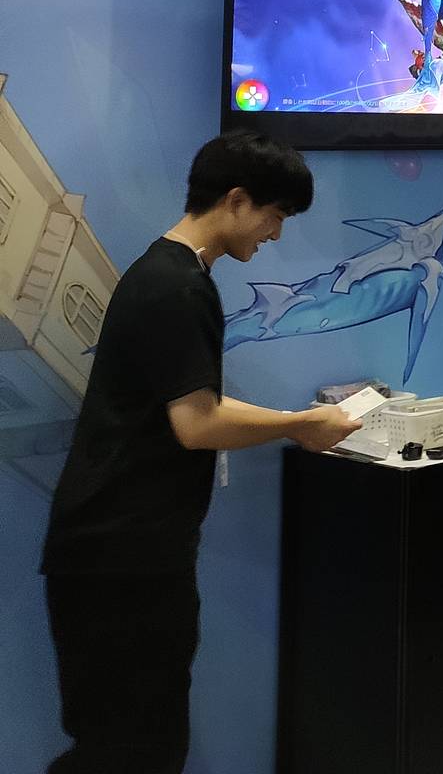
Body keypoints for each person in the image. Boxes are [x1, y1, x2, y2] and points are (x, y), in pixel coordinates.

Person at [40, 130, 360, 774]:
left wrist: (293, 421)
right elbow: (197, 422)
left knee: (121, 740)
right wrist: (299, 425)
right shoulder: (178, 286)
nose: (275, 234)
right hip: (123, 561)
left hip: (117, 554)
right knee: (133, 749)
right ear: (236, 200)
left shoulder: (168, 272)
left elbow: (193, 401)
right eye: (274, 215)